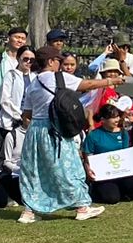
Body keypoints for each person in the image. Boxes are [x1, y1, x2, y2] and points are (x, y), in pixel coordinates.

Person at [17, 46, 113, 223]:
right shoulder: (58, 78)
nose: (60, 64)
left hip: (35, 131)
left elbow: (26, 114)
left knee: (35, 170)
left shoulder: (34, 82)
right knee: (69, 167)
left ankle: (29, 210)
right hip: (56, 129)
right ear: (51, 61)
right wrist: (110, 82)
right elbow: (87, 84)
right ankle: (82, 207)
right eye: (58, 61)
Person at [80, 102, 133, 204]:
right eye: (113, 117)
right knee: (111, 198)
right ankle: (96, 191)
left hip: (121, 172)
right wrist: (89, 170)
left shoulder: (123, 133)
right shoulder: (94, 135)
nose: (117, 120)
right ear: (103, 120)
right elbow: (88, 156)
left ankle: (122, 191)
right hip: (104, 174)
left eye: (117, 116)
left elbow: (126, 154)